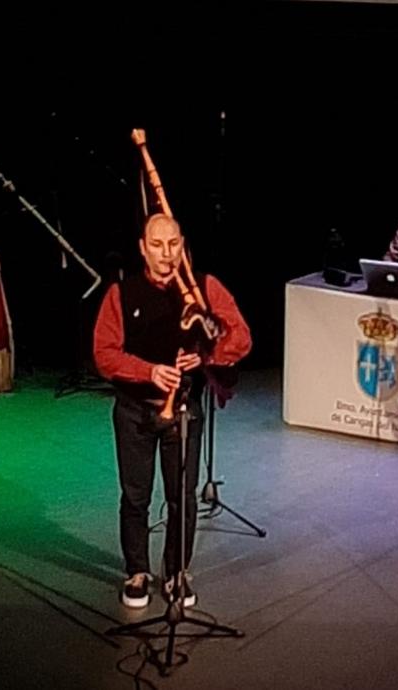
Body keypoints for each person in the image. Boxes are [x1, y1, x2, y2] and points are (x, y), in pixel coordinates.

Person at [93, 214, 252, 609]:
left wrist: (207, 356)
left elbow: (242, 337)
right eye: (158, 246)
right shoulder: (121, 292)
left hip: (183, 411)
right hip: (134, 410)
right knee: (135, 497)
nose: (167, 254)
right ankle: (137, 572)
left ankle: (177, 571)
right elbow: (104, 353)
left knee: (183, 496)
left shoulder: (203, 288)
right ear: (143, 249)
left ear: (183, 245)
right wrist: (148, 371)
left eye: (174, 245)